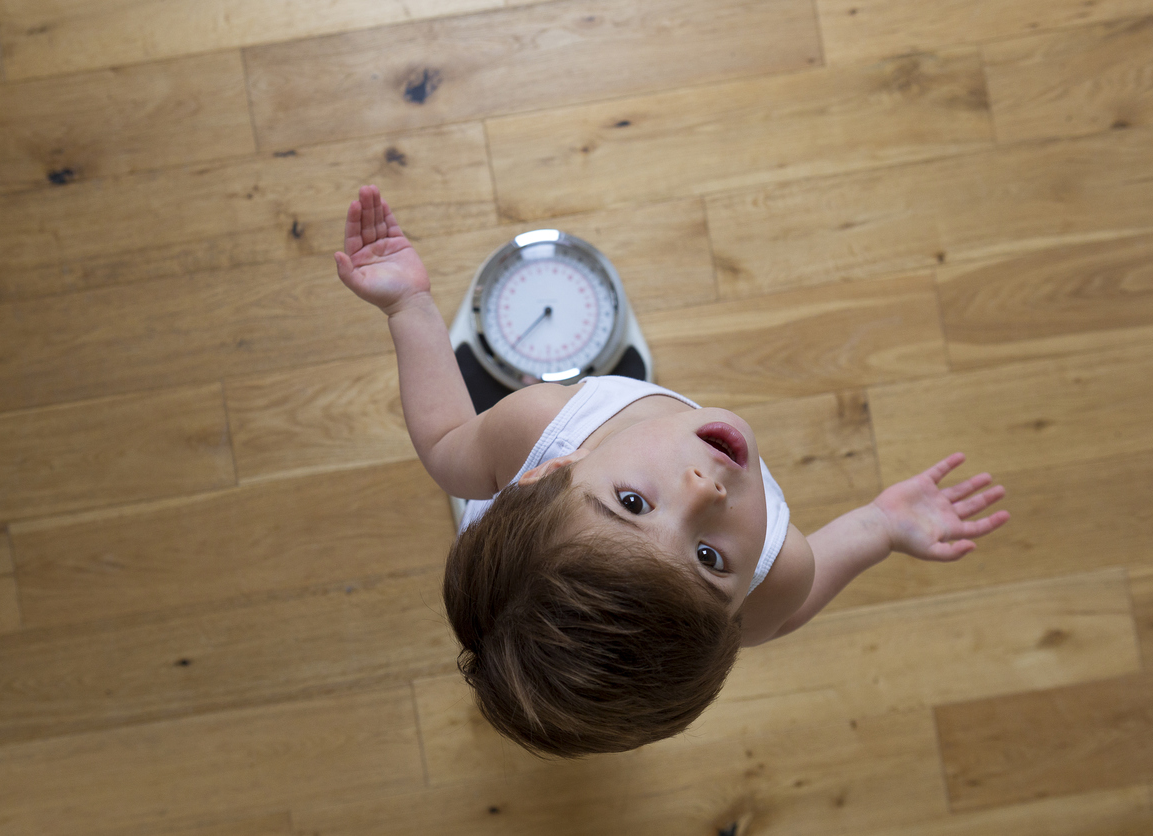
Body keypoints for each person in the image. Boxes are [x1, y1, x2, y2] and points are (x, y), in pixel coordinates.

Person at [335, 185, 1010, 757]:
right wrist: (878, 526)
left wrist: (408, 306)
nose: (704, 492)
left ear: (552, 470)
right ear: (738, 605)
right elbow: (783, 616)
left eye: (632, 502)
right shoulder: (782, 567)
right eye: (710, 558)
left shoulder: (538, 424)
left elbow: (448, 439)